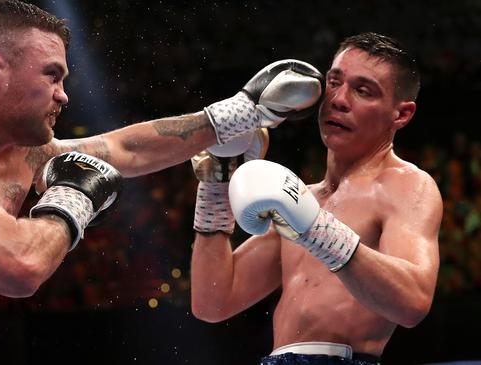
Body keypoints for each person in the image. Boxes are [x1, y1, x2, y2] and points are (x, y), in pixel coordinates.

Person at [0, 1, 324, 364]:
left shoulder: (20, 156)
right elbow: (18, 266)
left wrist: (233, 114)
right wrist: (71, 198)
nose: (64, 95)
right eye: (52, 75)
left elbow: (123, 149)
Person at [189, 32, 443, 365]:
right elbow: (213, 301)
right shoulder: (300, 199)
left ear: (402, 114)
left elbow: (413, 302)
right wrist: (215, 189)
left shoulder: (406, 186)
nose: (338, 99)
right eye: (334, 82)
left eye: (362, 90)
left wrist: (315, 229)